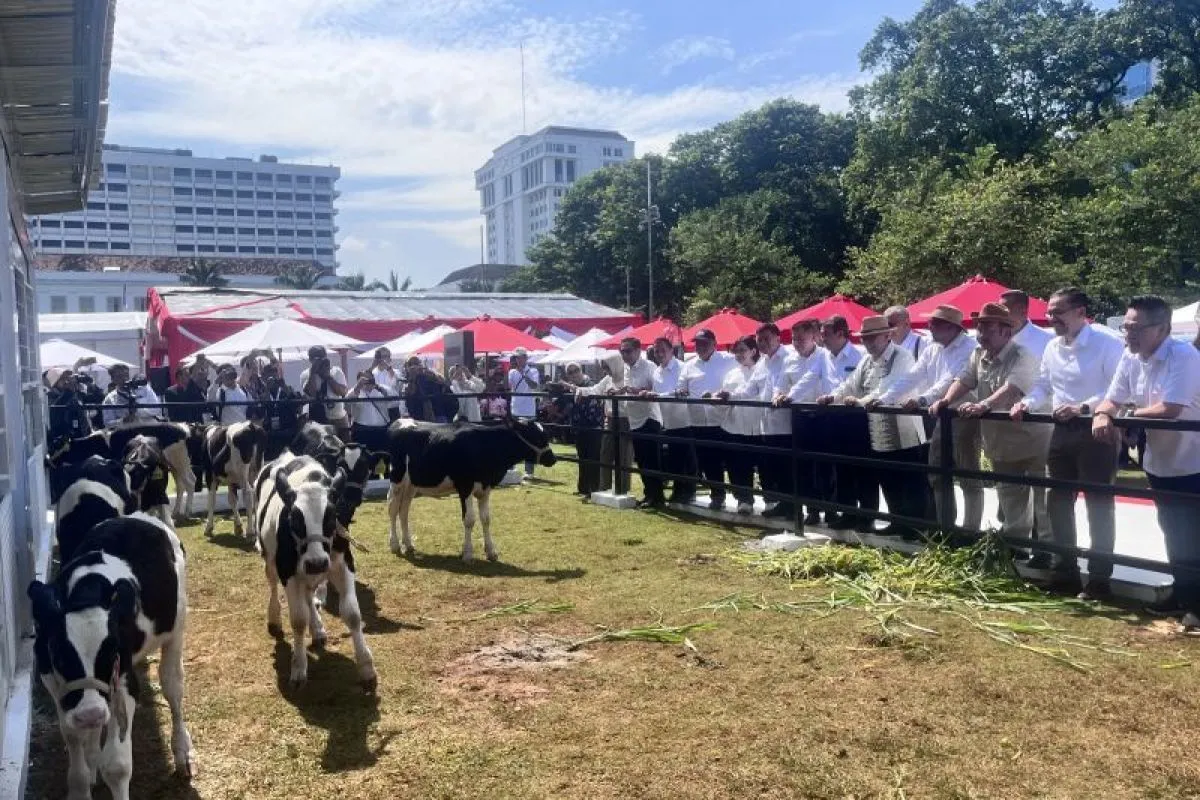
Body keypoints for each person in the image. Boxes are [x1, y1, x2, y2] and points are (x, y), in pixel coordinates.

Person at [1010, 288, 1125, 597]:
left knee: (1098, 505)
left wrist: (1083, 407)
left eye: (1058, 311)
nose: (1051, 317)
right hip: (1060, 431)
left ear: (1080, 312)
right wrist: (1027, 403)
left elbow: (1119, 389)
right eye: (1049, 312)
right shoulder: (1052, 346)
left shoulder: (1107, 342)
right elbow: (1043, 385)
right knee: (1057, 503)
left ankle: (1099, 579)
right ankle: (1065, 572)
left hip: (1096, 430)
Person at [1094, 295, 1200, 628]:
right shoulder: (1130, 357)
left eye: (1136, 328)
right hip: (1160, 462)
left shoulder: (1184, 356)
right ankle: (1184, 592)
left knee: (1191, 533)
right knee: (1173, 530)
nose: (1128, 334)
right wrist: (1102, 414)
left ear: (1162, 329)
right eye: (1126, 327)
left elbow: (1170, 408)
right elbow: (1112, 398)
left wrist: (1123, 417)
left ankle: (1195, 602)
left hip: (1194, 460)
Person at [931, 303, 1049, 549]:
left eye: (987, 329)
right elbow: (964, 380)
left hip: (1033, 439)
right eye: (979, 328)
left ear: (1006, 331)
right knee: (1010, 494)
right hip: (1000, 440)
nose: (981, 334)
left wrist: (983, 405)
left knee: (1043, 498)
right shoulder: (978, 355)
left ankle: (1048, 551)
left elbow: (1012, 388)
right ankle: (1016, 547)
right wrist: (946, 400)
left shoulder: (1023, 356)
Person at [819, 316, 927, 539]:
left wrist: (861, 401)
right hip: (878, 428)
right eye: (865, 338)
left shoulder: (902, 356)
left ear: (887, 335)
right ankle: (897, 521)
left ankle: (915, 527)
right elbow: (851, 384)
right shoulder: (867, 360)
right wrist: (833, 396)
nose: (868, 343)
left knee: (909, 478)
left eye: (872, 337)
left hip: (903, 428)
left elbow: (891, 386)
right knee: (887, 477)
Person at [878, 304, 982, 531]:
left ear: (951, 327)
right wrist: (885, 398)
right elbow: (913, 375)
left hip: (964, 416)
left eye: (934, 323)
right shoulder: (933, 347)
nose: (929, 327)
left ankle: (970, 530)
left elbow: (951, 380)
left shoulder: (970, 348)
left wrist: (922, 399)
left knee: (968, 476)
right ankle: (944, 526)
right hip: (941, 416)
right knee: (936, 472)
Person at [729, 323, 800, 520]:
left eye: (766, 338)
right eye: (759, 339)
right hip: (767, 425)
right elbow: (750, 389)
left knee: (789, 469)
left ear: (778, 338)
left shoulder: (790, 357)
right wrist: (730, 395)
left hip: (786, 424)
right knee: (776, 469)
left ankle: (796, 509)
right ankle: (785, 505)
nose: (762, 343)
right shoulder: (762, 363)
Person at [1001, 288, 1055, 538]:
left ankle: (1044, 544)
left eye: (1005, 309)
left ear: (1022, 310)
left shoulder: (1045, 341)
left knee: (1041, 488)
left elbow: (1045, 384)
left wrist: (1028, 403)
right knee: (1011, 490)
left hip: (1037, 423)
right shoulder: (998, 340)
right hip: (1005, 423)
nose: (1001, 313)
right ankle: (1016, 542)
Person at [820, 316, 870, 531]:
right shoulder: (824, 356)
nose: (822, 339)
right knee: (840, 468)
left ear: (841, 333)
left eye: (826, 334)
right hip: (833, 416)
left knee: (862, 469)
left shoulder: (860, 355)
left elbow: (865, 386)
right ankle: (847, 513)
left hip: (856, 417)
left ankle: (867, 515)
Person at [678, 329, 737, 510]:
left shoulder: (729, 360)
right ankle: (717, 495)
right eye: (697, 343)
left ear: (714, 343)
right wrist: (681, 391)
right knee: (707, 460)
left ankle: (743, 497)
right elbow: (681, 387)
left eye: (704, 343)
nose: (700, 346)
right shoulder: (689, 365)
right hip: (698, 420)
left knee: (732, 459)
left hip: (724, 419)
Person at [782, 319, 833, 525]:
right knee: (804, 466)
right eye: (794, 339)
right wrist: (779, 394)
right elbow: (781, 384)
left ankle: (831, 509)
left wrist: (790, 395)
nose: (796, 343)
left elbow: (811, 379)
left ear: (814, 336)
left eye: (801, 339)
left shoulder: (824, 355)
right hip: (800, 416)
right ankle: (812, 510)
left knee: (826, 466)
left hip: (823, 415)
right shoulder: (789, 360)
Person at [713, 335, 766, 514]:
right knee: (737, 465)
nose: (739, 354)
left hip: (758, 425)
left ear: (753, 351)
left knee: (764, 465)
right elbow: (725, 400)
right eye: (736, 351)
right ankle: (744, 499)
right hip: (735, 425)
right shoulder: (731, 374)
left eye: (743, 350)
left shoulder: (763, 370)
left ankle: (771, 499)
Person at [648, 336, 696, 504]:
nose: (659, 354)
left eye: (663, 350)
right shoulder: (656, 372)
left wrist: (658, 395)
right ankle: (678, 491)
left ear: (671, 350)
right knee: (674, 459)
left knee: (687, 459)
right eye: (656, 351)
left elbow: (682, 391)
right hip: (668, 420)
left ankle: (688, 492)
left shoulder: (683, 367)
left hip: (685, 419)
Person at [616, 337, 664, 508]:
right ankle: (649, 494)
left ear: (638, 350)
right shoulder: (626, 369)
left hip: (649, 418)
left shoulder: (649, 366)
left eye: (627, 351)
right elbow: (628, 389)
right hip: (634, 419)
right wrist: (620, 391)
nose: (624, 354)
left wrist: (637, 391)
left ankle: (657, 497)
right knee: (642, 460)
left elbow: (656, 389)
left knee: (651, 460)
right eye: (622, 351)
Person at [552, 362, 604, 496]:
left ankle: (594, 488)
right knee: (582, 457)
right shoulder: (571, 389)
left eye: (576, 370)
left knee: (593, 458)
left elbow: (588, 391)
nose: (574, 374)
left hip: (593, 426)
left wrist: (569, 387)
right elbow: (560, 403)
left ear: (581, 370)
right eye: (570, 372)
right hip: (579, 427)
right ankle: (583, 488)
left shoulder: (589, 383)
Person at [346, 370, 392, 469]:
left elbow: (394, 398)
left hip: (381, 431)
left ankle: (380, 476)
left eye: (370, 379)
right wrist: (358, 387)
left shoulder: (381, 390)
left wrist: (378, 386)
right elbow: (346, 403)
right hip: (362, 431)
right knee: (363, 461)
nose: (367, 381)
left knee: (381, 460)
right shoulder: (355, 392)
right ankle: (365, 476)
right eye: (364, 379)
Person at [300, 345, 350, 437]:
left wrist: (328, 377)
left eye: (322, 357)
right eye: (317, 358)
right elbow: (311, 394)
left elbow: (343, 392)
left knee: (344, 443)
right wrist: (313, 373)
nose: (320, 360)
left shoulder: (336, 371)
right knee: (321, 445)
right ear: (310, 359)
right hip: (318, 419)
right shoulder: (306, 375)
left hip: (338, 417)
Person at [258, 361, 303, 460]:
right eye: (267, 374)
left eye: (273, 372)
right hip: (272, 434)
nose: (271, 376)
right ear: (264, 377)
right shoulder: (263, 395)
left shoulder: (287, 389)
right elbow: (259, 413)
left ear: (277, 374)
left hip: (288, 431)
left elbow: (298, 404)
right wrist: (266, 391)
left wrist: (285, 387)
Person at [508, 347, 542, 478]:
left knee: (529, 440)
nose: (518, 359)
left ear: (525, 358)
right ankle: (512, 467)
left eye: (520, 357)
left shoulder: (533, 371)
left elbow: (534, 386)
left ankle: (529, 471)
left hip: (528, 410)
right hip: (515, 409)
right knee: (514, 440)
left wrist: (523, 374)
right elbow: (509, 387)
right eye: (516, 357)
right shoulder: (512, 372)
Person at [101, 363, 161, 427]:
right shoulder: (109, 399)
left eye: (126, 375)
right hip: (126, 431)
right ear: (112, 379)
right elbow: (108, 423)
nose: (124, 379)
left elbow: (156, 409)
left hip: (149, 428)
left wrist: (138, 410)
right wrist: (123, 420)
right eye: (119, 376)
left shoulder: (144, 388)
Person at [403, 356, 456, 422]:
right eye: (412, 365)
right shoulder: (410, 381)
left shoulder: (428, 376)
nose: (414, 367)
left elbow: (442, 386)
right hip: (425, 415)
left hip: (436, 414)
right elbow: (410, 397)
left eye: (416, 364)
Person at [45, 368, 92, 442]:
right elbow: (55, 413)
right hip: (64, 441)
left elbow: (93, 399)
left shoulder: (74, 394)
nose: (67, 381)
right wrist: (68, 392)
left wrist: (89, 384)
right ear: (55, 382)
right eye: (63, 378)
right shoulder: (50, 397)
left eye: (68, 378)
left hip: (82, 437)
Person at [370, 346, 404, 421]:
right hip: (377, 409)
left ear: (390, 358)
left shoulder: (396, 372)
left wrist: (387, 367)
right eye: (379, 357)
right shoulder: (372, 373)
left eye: (384, 356)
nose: (381, 359)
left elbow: (396, 382)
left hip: (392, 409)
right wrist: (372, 366)